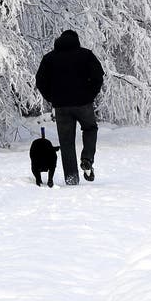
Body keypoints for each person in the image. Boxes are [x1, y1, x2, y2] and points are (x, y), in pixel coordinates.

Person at [35, 29, 104, 185]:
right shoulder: (86, 55)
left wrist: (52, 98)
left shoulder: (49, 58)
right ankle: (87, 158)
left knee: (66, 142)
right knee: (90, 128)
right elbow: (98, 76)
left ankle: (71, 178)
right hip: (83, 104)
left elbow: (40, 81)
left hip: (61, 107)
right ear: (76, 40)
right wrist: (90, 95)